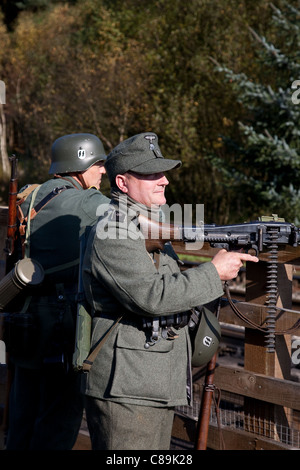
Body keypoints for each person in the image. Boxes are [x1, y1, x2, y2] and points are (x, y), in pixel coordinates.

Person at [81, 132, 259, 450]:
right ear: (122, 183)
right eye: (151, 174)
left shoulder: (144, 223)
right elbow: (152, 296)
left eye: (162, 172)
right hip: (126, 387)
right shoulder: (114, 231)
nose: (163, 180)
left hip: (147, 382)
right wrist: (214, 273)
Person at [5, 133, 110, 450]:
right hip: (65, 330)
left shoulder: (31, 195)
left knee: (22, 417)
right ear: (81, 165)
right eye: (98, 164)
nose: (103, 172)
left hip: (27, 322)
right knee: (58, 423)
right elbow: (141, 222)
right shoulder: (90, 203)